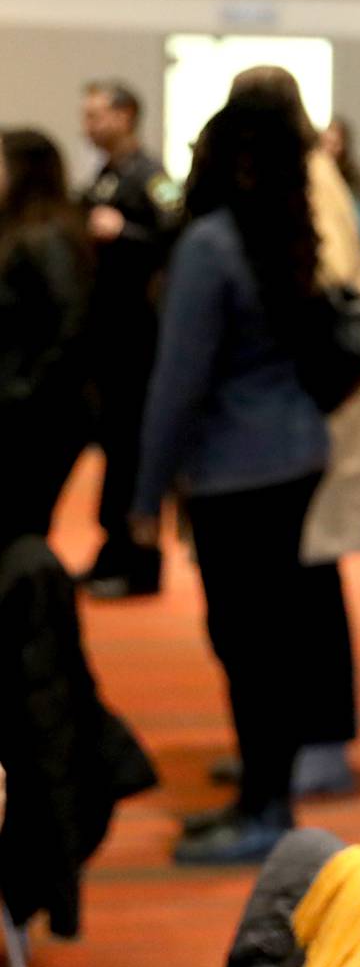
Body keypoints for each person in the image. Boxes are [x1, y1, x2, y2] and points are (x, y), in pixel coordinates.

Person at [205, 66, 360, 797]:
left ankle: (318, 742)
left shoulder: (301, 174)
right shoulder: (307, 167)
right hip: (324, 402)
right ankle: (285, 740)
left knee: (307, 583)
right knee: (301, 579)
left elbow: (321, 277)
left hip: (330, 402)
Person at [132, 90, 331, 864]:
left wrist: (146, 495)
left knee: (246, 641)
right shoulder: (287, 232)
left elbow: (176, 384)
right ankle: (264, 788)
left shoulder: (212, 245)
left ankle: (263, 808)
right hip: (292, 457)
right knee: (272, 640)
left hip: (235, 471)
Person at [78, 79, 181, 598]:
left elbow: (179, 230)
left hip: (140, 338)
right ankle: (111, 552)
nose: (88, 125)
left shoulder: (152, 176)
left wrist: (126, 233)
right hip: (108, 336)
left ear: (126, 117)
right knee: (116, 450)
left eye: (97, 115)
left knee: (134, 453)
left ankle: (139, 562)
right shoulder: (105, 175)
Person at [0, 128, 94, 540]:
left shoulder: (46, 237)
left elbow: (70, 328)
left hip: (34, 418)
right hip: (24, 408)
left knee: (20, 531)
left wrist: (24, 392)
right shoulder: (19, 231)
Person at [318, 114, 360, 203]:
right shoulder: (310, 171)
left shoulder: (352, 178)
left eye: (334, 144)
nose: (328, 149)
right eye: (325, 142)